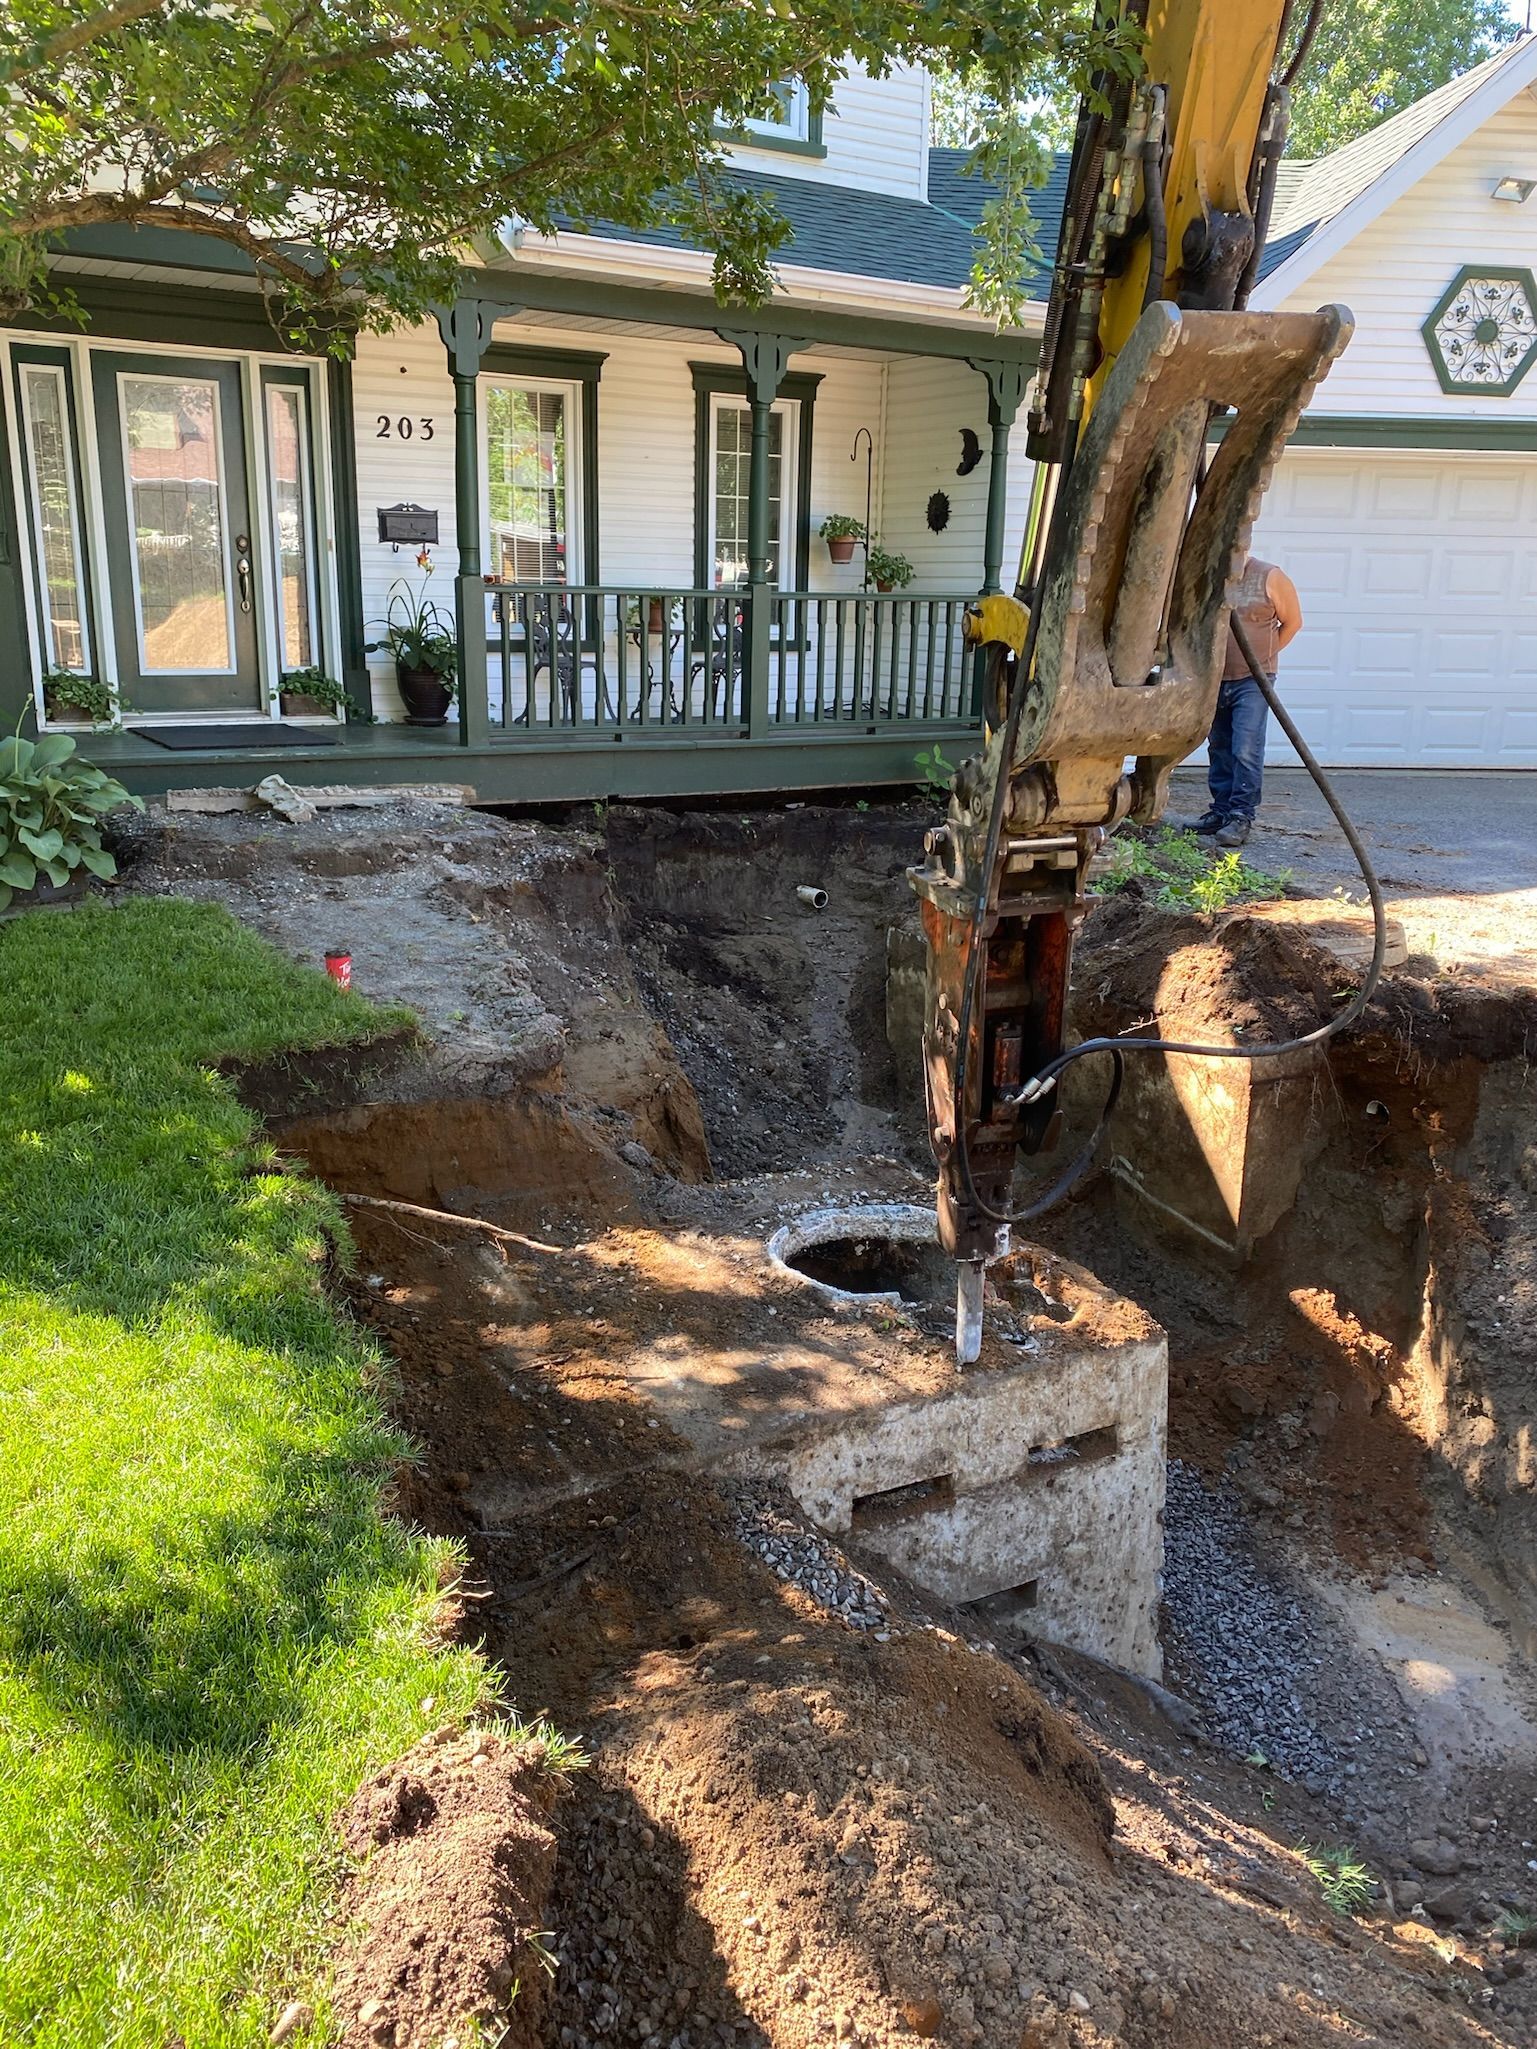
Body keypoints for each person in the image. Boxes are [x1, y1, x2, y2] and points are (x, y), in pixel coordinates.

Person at [1181, 553, 1302, 848]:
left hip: (1253, 680)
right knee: (1219, 745)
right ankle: (1221, 811)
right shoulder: (1210, 573)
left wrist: (1263, 660)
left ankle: (1241, 815)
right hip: (1214, 678)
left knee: (1246, 747)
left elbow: (1293, 623)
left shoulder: (1269, 576)